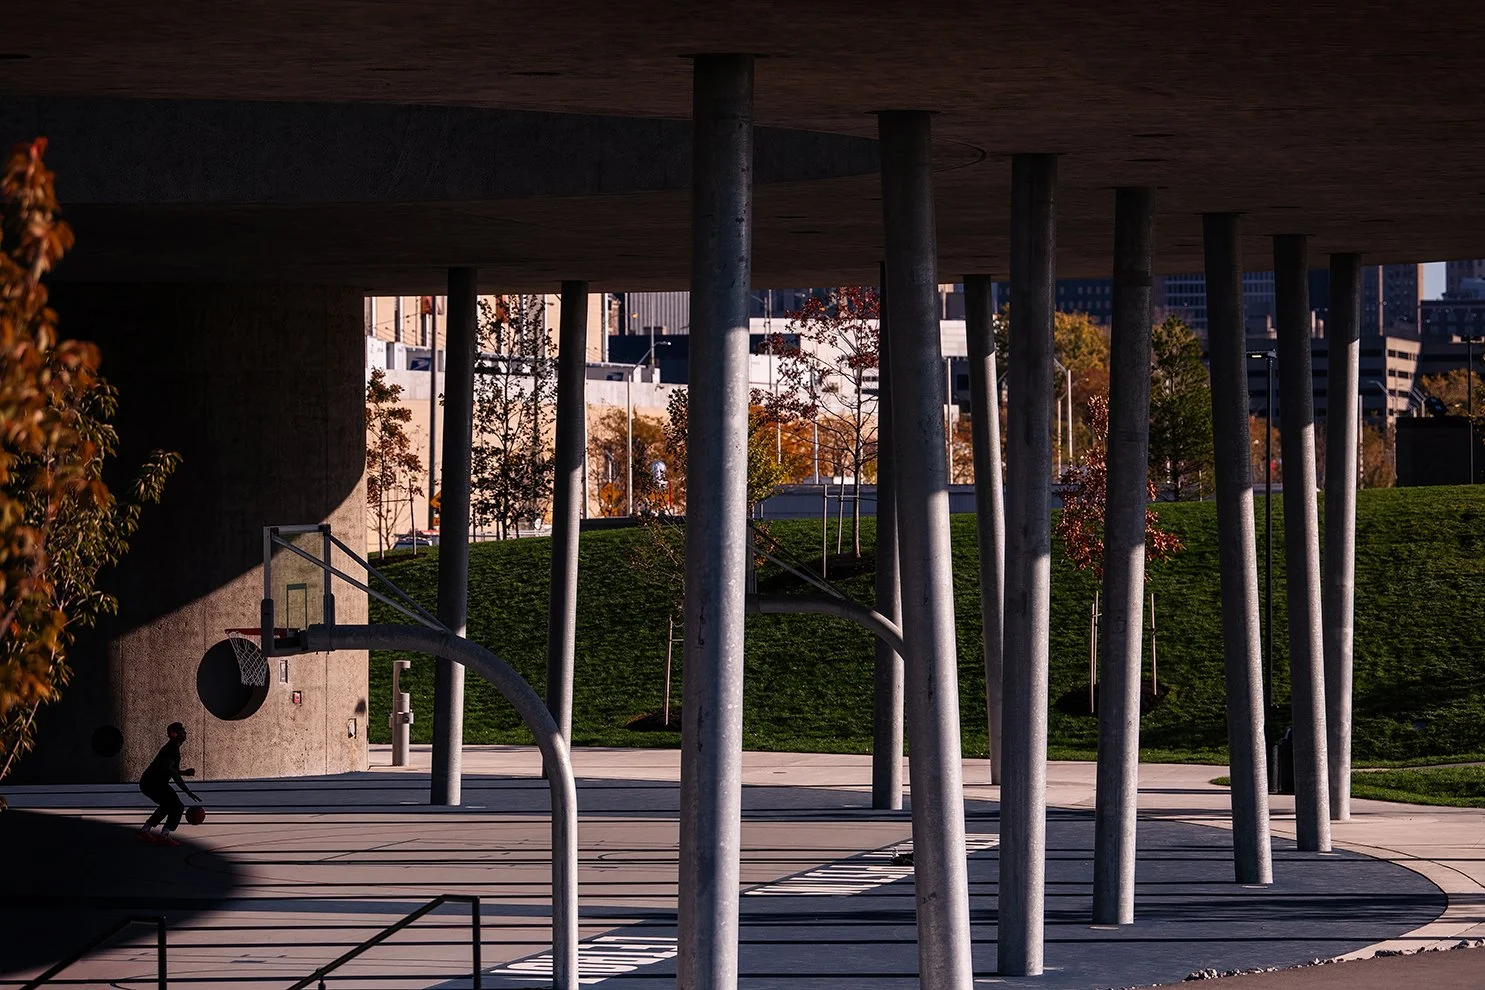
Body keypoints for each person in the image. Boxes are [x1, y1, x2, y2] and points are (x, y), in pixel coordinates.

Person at [138, 722, 199, 846]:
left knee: (166, 806)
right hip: (154, 783)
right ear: (175, 734)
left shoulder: (172, 748)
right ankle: (164, 835)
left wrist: (185, 777)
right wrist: (187, 789)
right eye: (182, 731)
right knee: (177, 807)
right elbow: (172, 773)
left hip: (150, 782)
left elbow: (171, 771)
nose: (185, 733)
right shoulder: (172, 750)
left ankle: (145, 831)